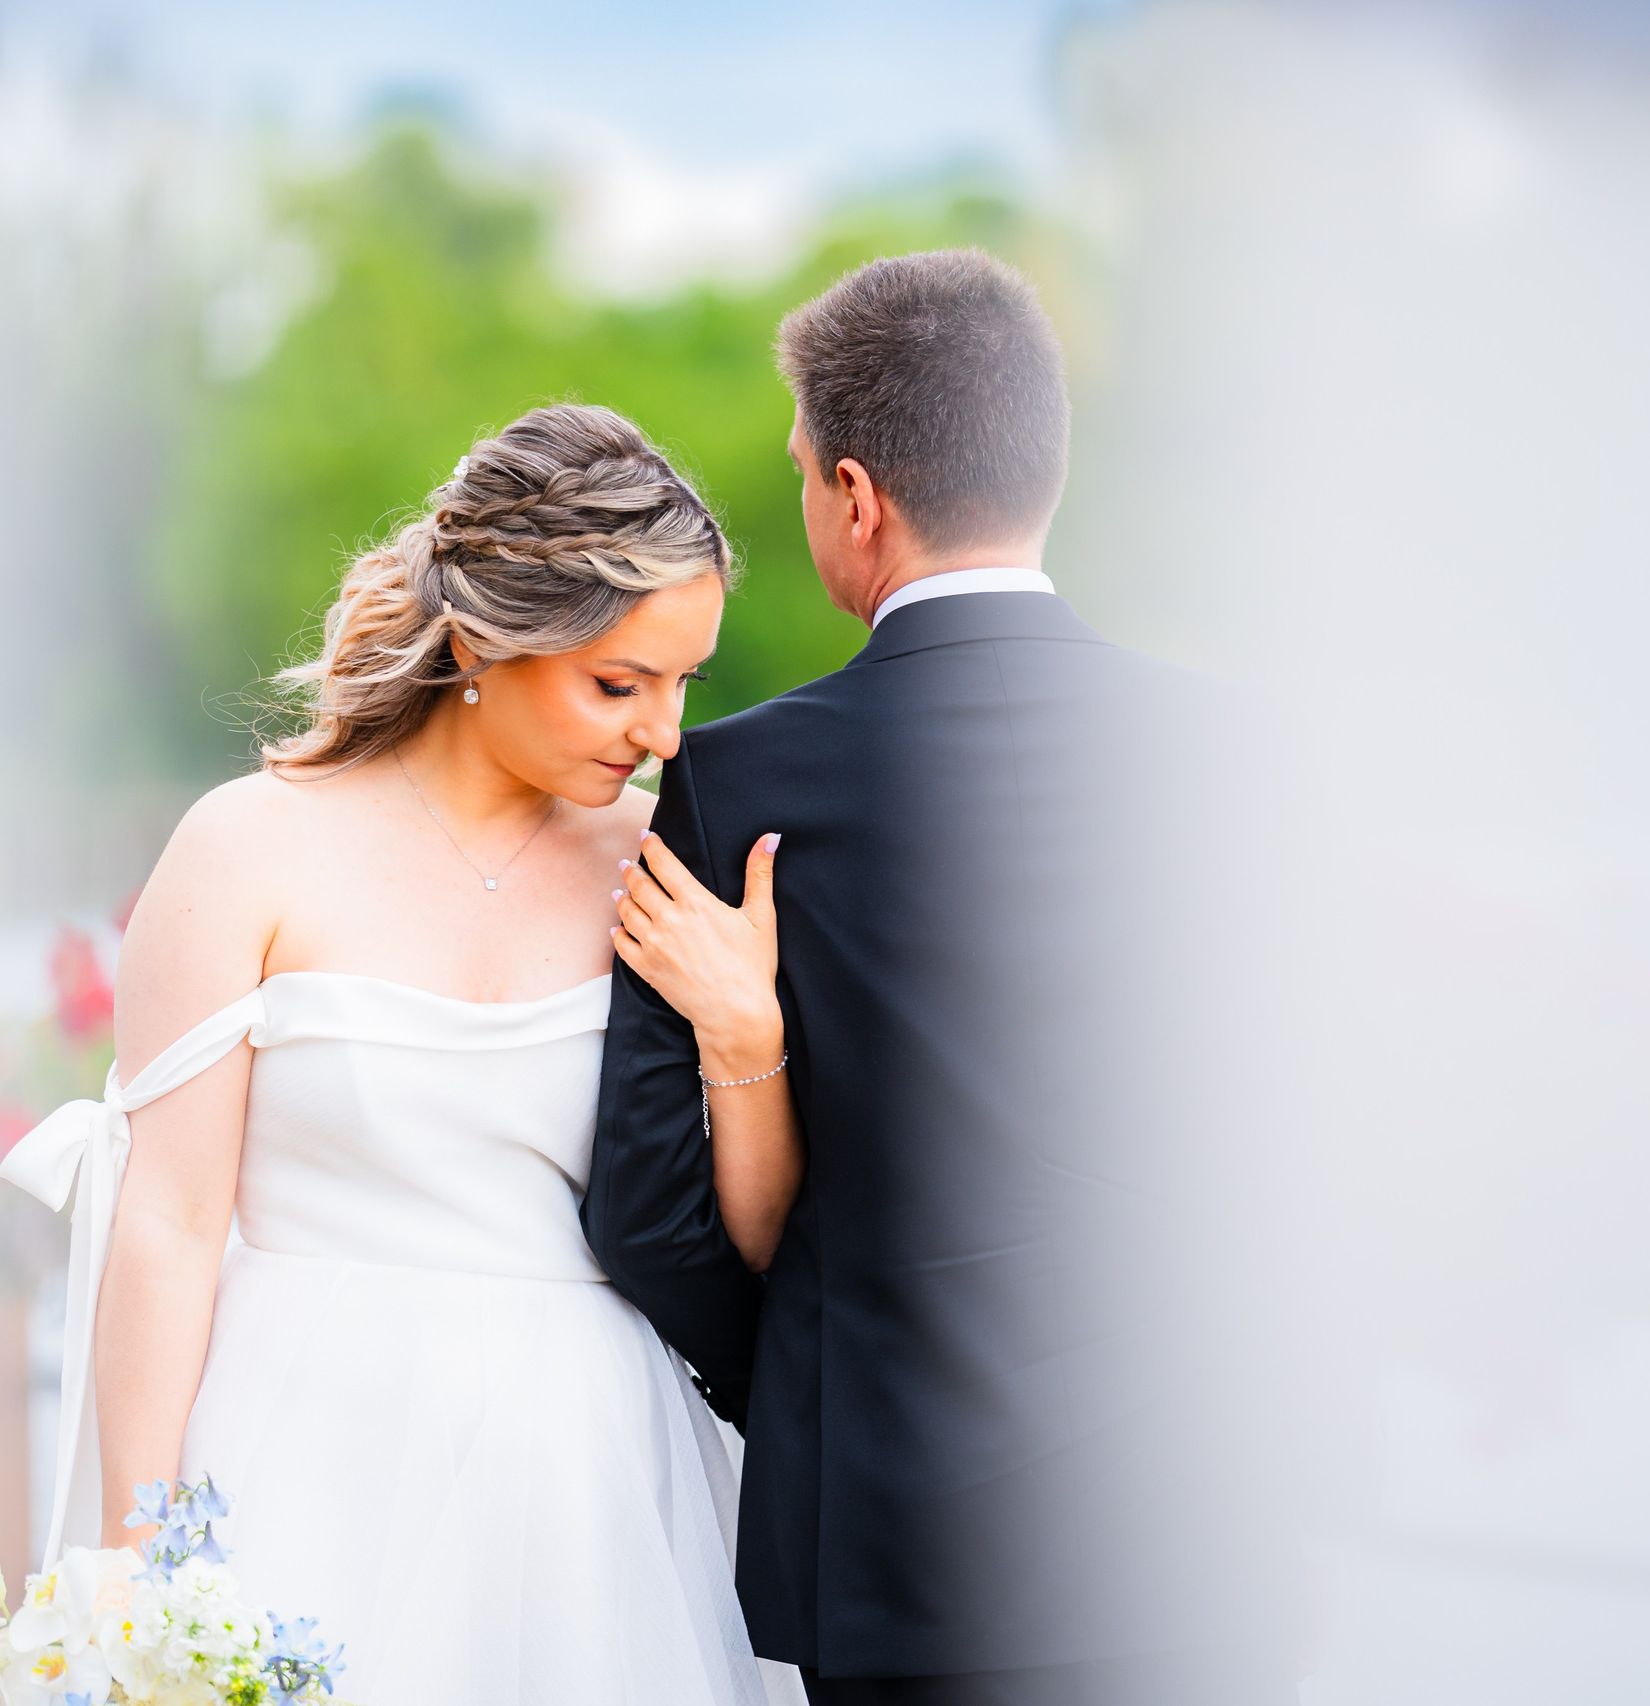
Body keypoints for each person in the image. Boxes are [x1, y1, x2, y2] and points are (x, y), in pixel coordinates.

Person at [2, 403, 805, 1705]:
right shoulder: (246, 847)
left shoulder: (666, 864)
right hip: (300, 1461)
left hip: (587, 1495)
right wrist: (132, 1565)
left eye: (682, 683)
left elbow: (752, 1234)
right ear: (489, 635)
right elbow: (169, 1220)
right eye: (620, 681)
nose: (662, 730)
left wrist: (748, 1037)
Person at [587, 251, 1295, 1706]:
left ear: (857, 494)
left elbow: (651, 1214)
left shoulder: (734, 784)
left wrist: (804, 1388)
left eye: (799, 476)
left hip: (895, 1547)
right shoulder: (1241, 758)